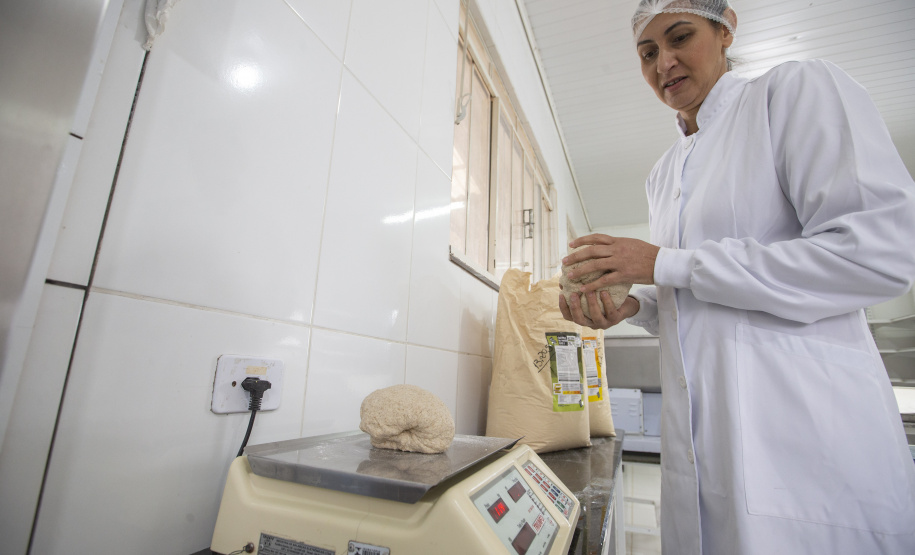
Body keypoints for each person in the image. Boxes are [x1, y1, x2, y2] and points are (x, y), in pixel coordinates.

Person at [558, 0, 915, 553]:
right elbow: (695, 298)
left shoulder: (791, 94)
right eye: (647, 53)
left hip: (810, 446)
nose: (664, 63)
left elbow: (875, 254)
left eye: (680, 37)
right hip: (705, 454)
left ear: (725, 30)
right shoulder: (664, 173)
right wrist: (637, 306)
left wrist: (659, 263)